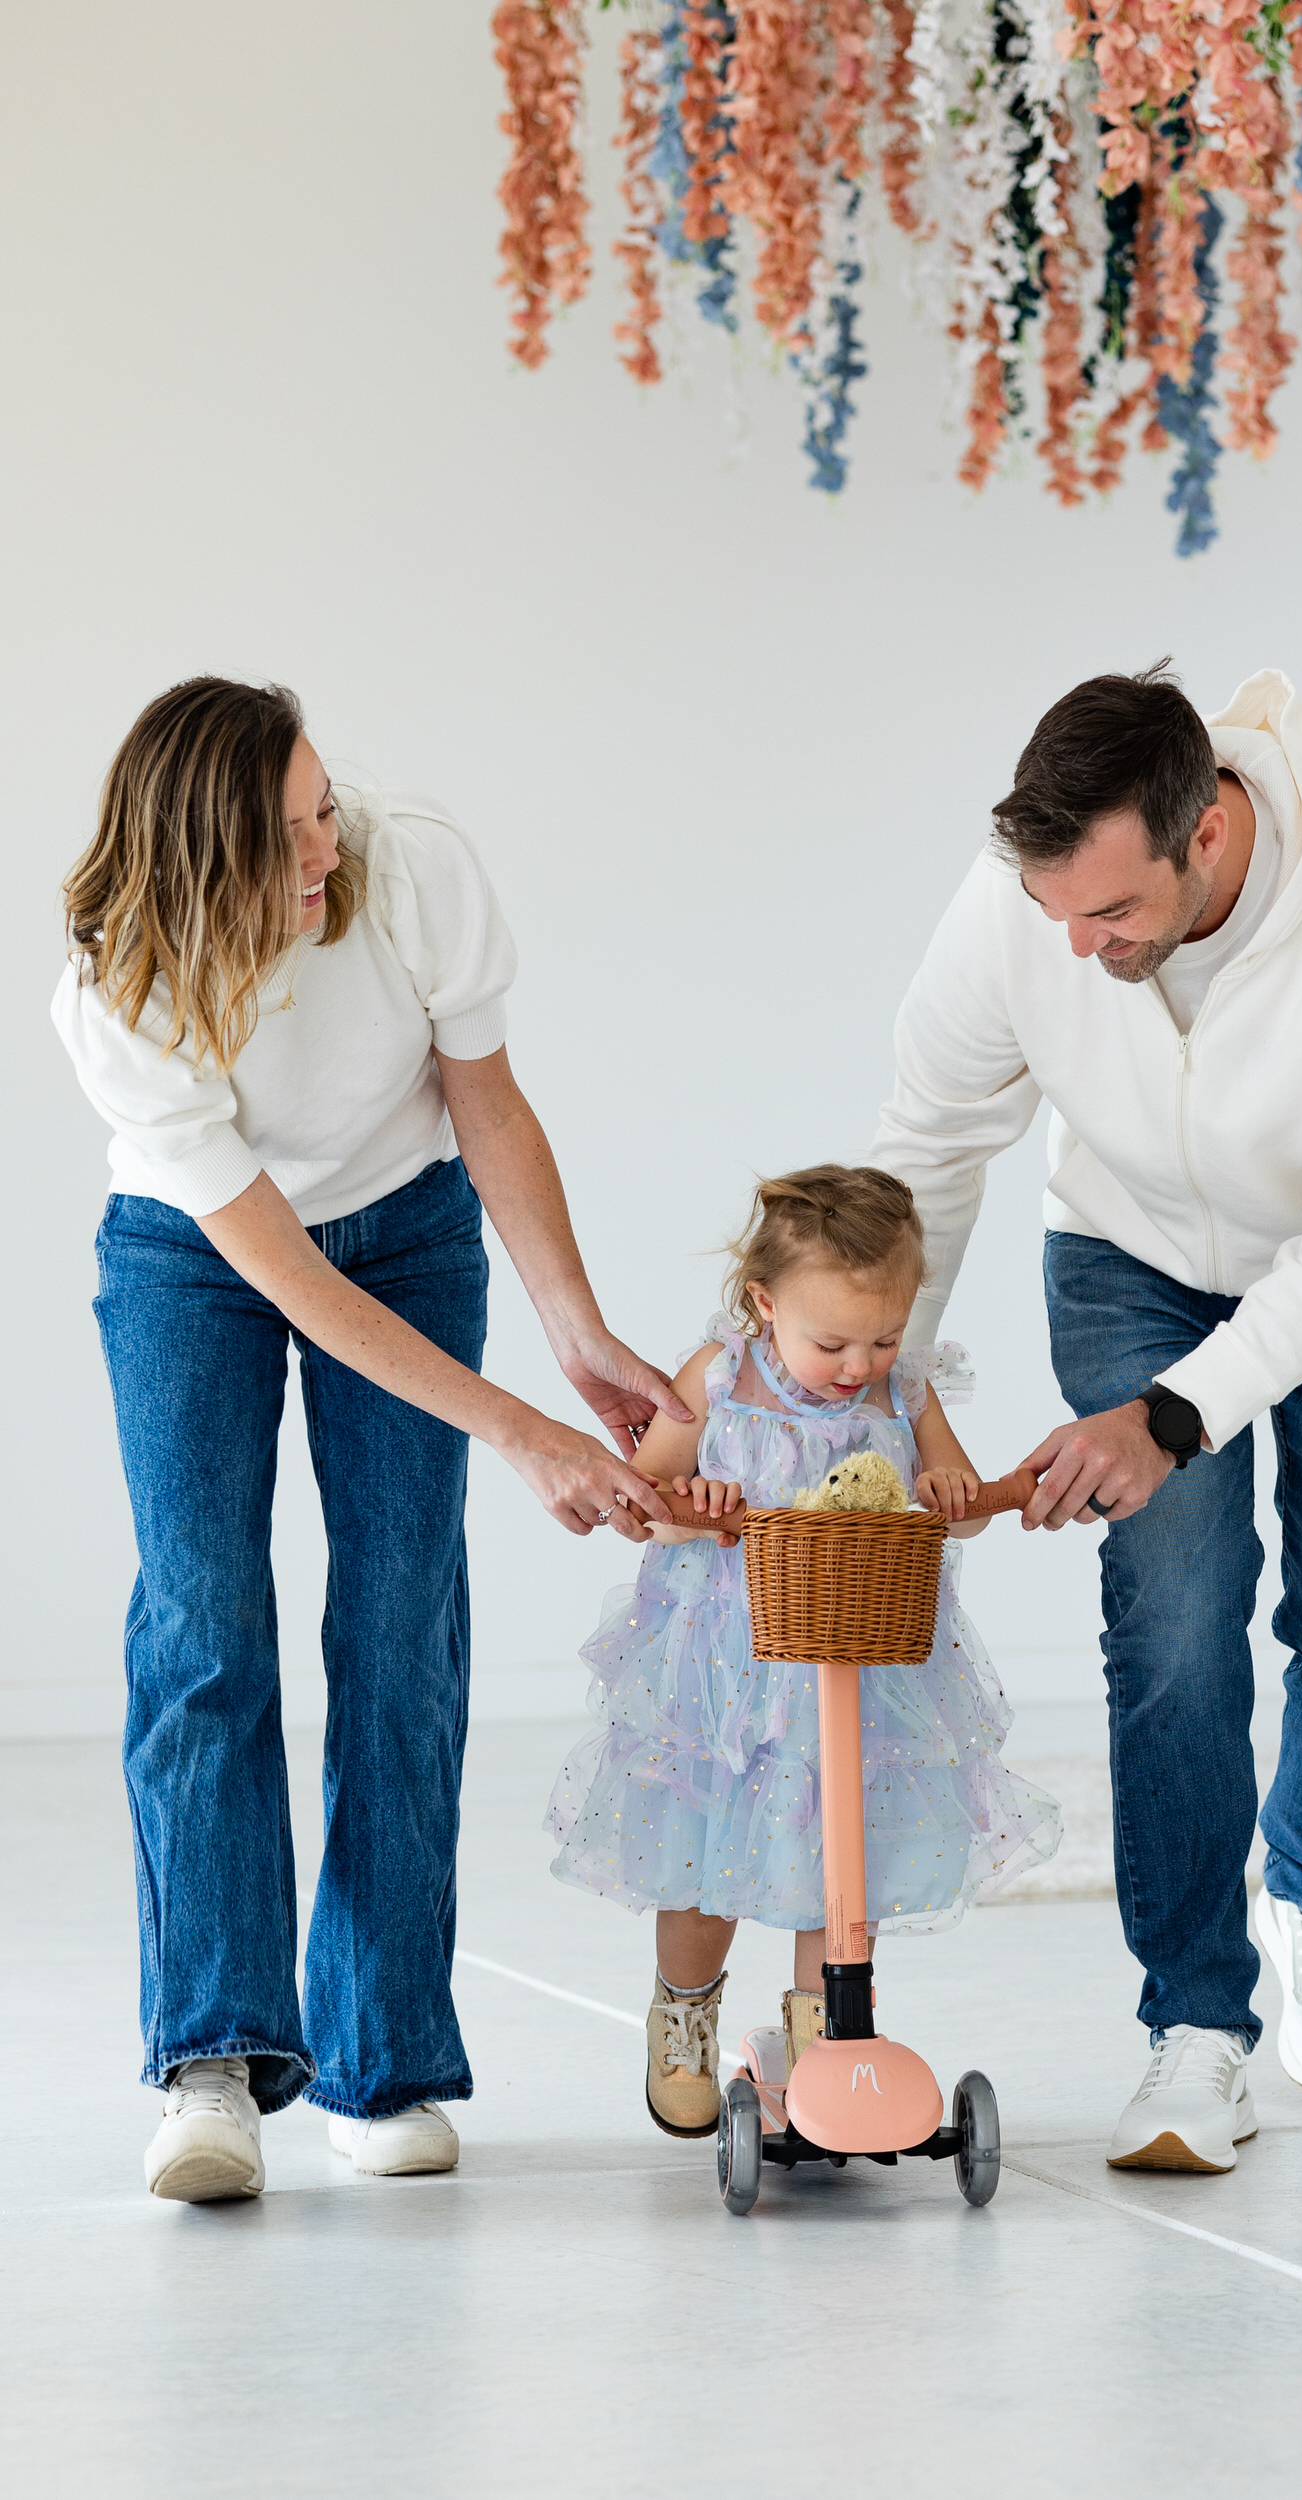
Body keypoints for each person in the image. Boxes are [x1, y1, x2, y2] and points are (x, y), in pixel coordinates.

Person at [53, 677, 679, 2203]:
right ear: (202, 860)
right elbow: (287, 1277)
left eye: (324, 802)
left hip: (407, 1226)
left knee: (402, 1619)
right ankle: (210, 2064)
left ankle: (382, 2052)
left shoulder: (412, 872)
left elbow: (489, 1104)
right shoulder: (115, 989)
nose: (330, 843)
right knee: (205, 1621)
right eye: (288, 833)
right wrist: (526, 1435)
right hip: (201, 1255)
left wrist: (575, 1331)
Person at [872, 664, 1302, 2174]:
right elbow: (931, 1144)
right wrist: (902, 1382)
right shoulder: (1026, 904)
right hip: (1130, 1258)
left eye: (1110, 917)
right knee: (1175, 1623)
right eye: (1056, 914)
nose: (1077, 948)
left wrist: (1171, 1416)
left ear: (1205, 832)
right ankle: (1194, 2029)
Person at [544, 1165, 1061, 2134]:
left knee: (843, 1863)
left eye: (882, 1337)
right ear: (762, 1302)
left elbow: (949, 1496)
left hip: (862, 1663)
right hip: (728, 1677)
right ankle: (683, 2015)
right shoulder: (717, 1380)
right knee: (706, 1858)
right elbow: (643, 1507)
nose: (855, 1363)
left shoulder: (903, 1392)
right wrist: (689, 1510)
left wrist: (950, 1483)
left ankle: (829, 2035)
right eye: (829, 1341)